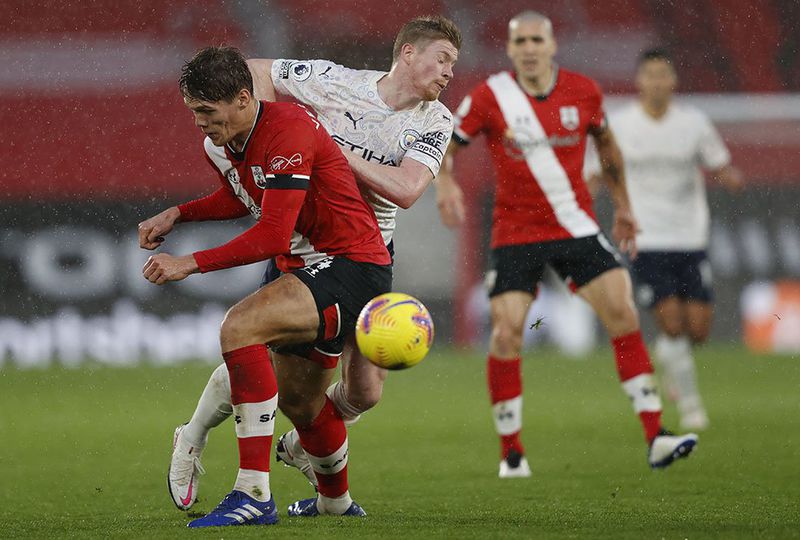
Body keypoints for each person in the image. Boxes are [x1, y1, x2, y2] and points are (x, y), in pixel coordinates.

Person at [163, 16, 461, 512]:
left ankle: (302, 452)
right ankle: (229, 463)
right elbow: (253, 71)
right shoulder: (334, 80)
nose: (450, 72)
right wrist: (270, 140)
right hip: (301, 243)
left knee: (360, 394)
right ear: (408, 53)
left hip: (363, 250)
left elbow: (407, 190)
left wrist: (318, 149)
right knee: (250, 336)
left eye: (454, 63)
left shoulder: (436, 121)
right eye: (443, 58)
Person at [435, 11, 698, 478]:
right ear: (511, 49)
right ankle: (512, 453)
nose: (530, 48)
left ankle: (656, 436)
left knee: (623, 312)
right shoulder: (491, 96)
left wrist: (623, 207)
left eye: (538, 39)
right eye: (521, 42)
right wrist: (445, 184)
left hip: (575, 225)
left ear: (552, 45)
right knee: (506, 333)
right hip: (515, 233)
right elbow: (445, 146)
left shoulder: (584, 90)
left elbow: (609, 149)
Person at [139, 46, 393, 526]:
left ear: (242, 98)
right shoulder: (222, 142)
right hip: (310, 267)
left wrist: (188, 264)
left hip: (352, 265)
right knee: (301, 401)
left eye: (207, 112)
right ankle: (335, 503)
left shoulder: (288, 130)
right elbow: (245, 194)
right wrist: (179, 213)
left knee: (240, 328)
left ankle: (252, 493)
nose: (199, 123)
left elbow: (272, 233)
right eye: (193, 112)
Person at [593, 48, 743, 430]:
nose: (657, 81)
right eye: (650, 74)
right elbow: (599, 169)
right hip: (645, 238)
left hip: (690, 236)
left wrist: (731, 178)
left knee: (698, 330)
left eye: (664, 74)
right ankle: (692, 407)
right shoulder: (621, 125)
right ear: (639, 81)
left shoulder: (694, 123)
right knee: (672, 323)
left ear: (673, 81)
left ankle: (670, 359)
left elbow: (720, 164)